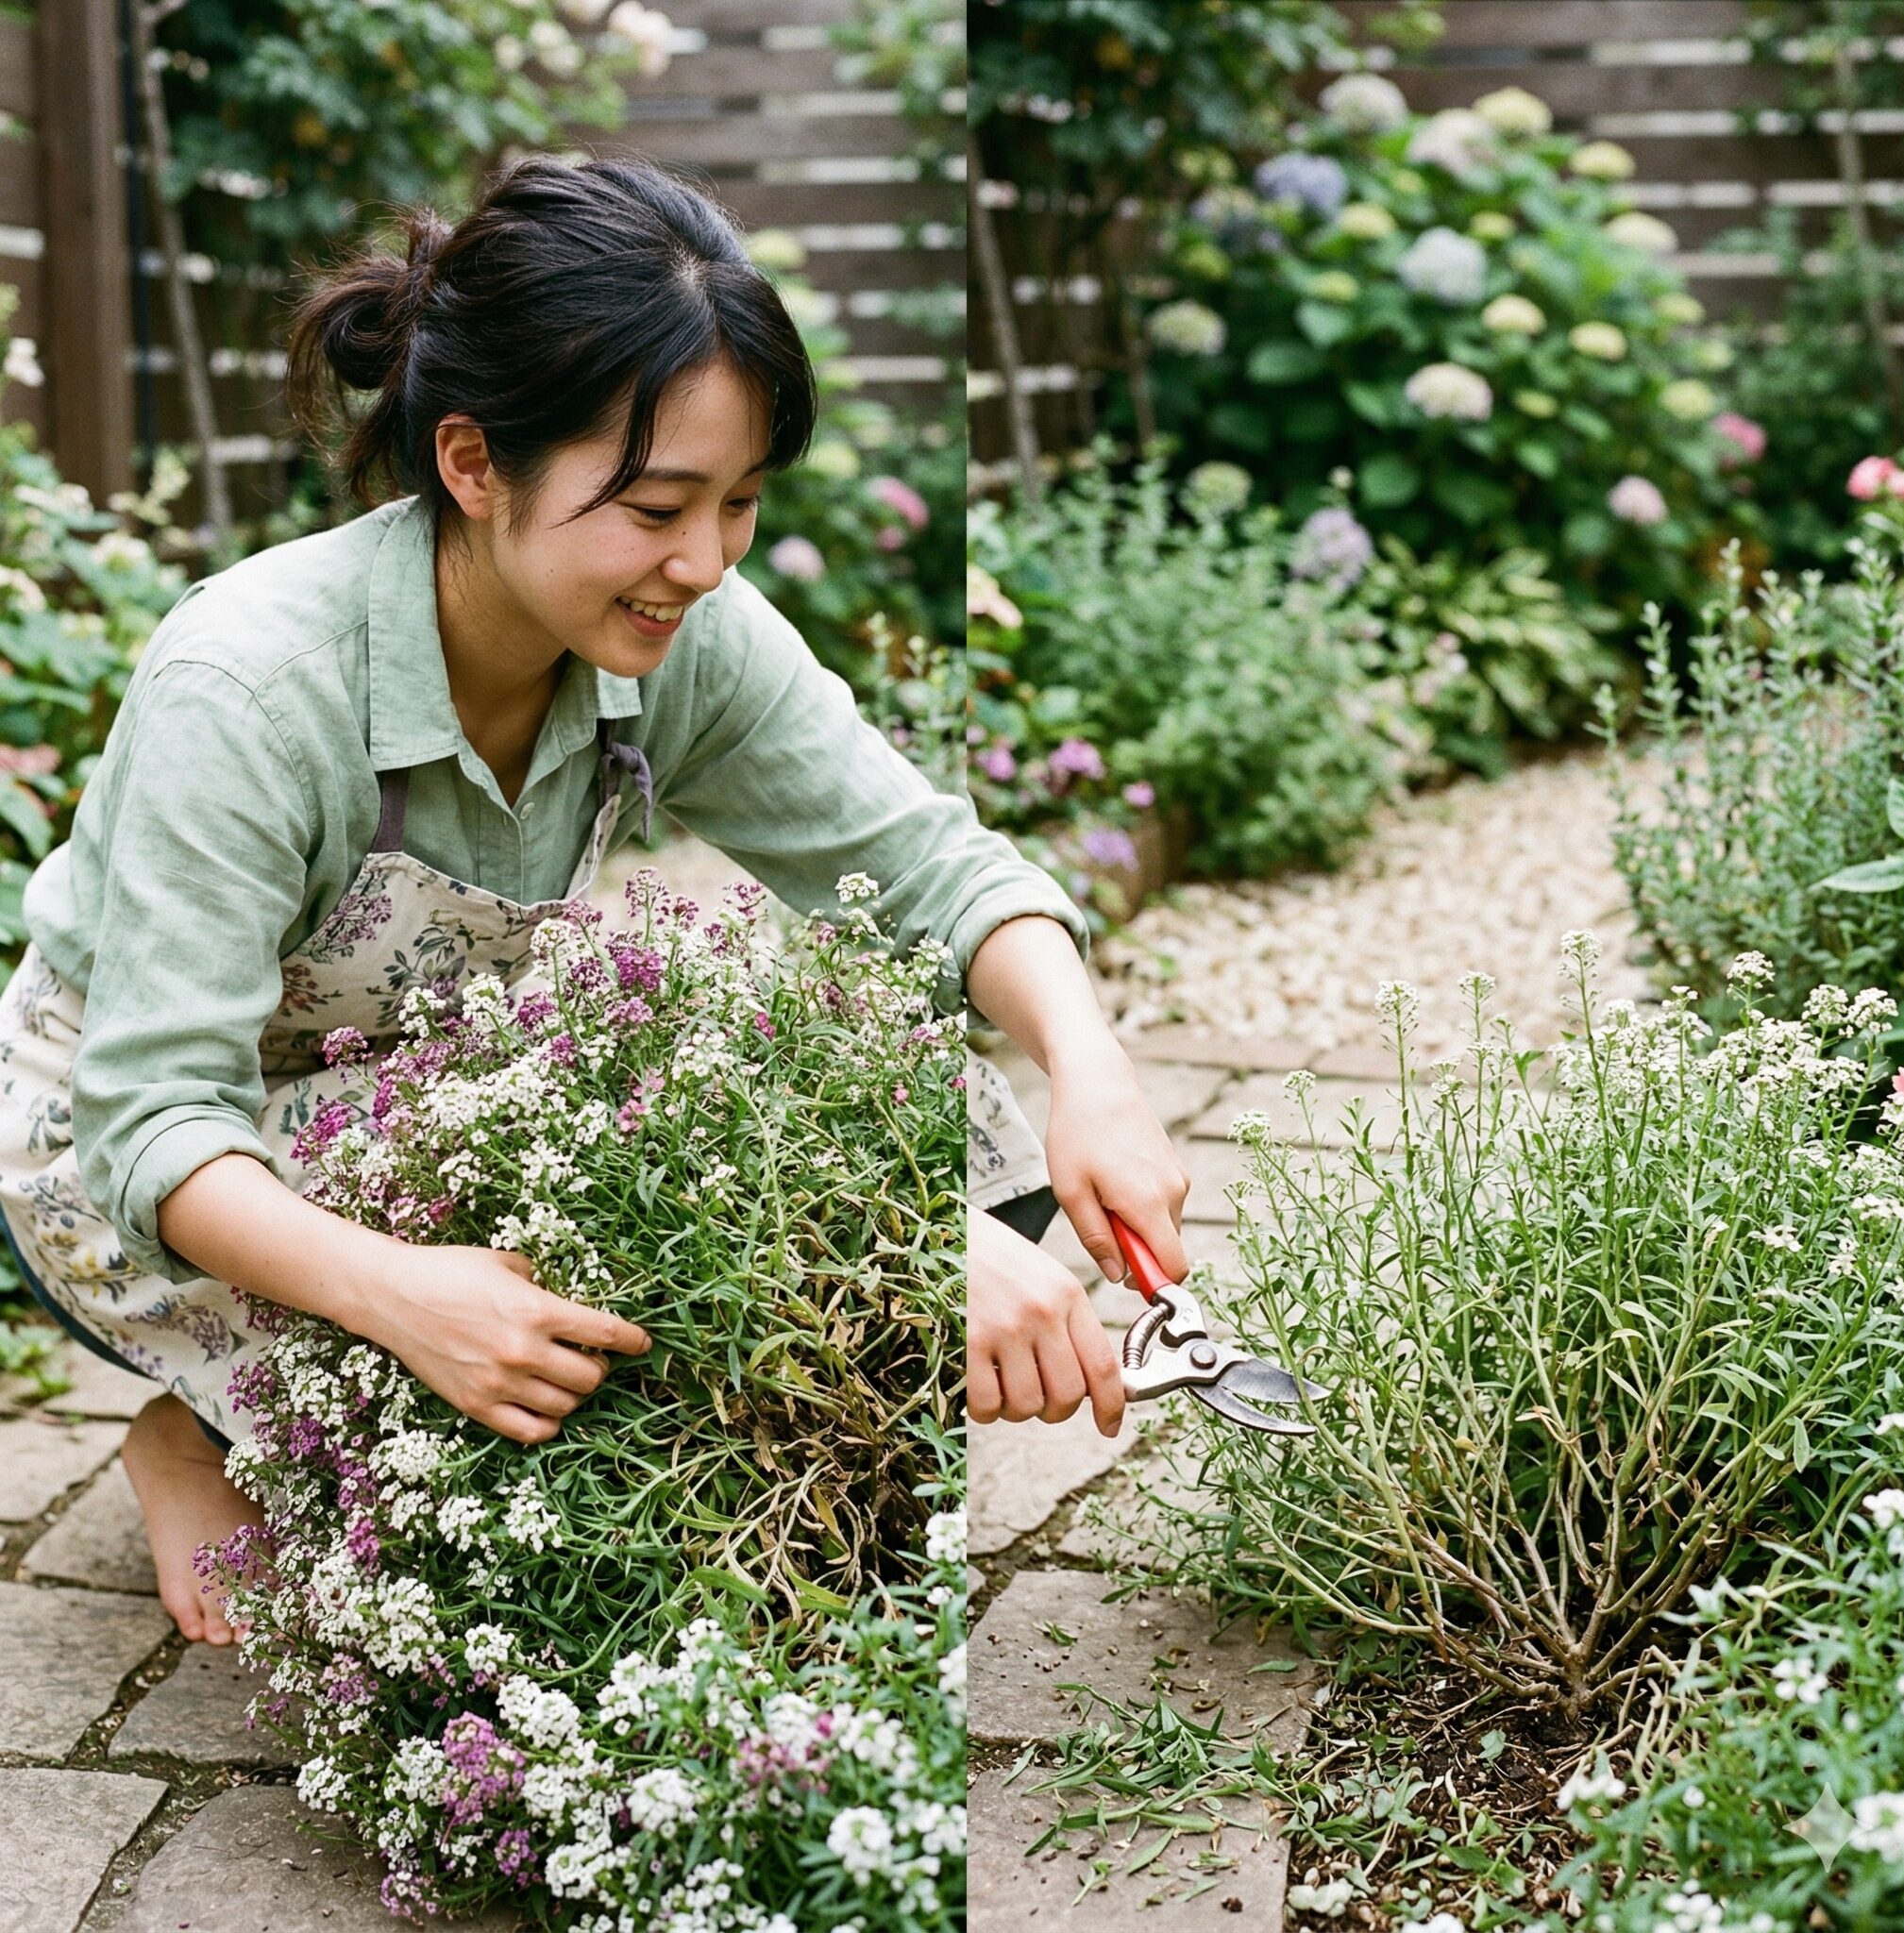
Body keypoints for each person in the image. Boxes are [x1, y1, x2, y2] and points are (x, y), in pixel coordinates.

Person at [0, 154, 1186, 1645]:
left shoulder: (676, 626)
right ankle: (204, 1422)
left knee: (969, 1152)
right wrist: (410, 1296)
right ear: (474, 464)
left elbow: (932, 870)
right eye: (653, 507)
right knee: (605, 1301)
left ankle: (286, 1412)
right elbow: (153, 1124)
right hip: (134, 1159)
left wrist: (1098, 1078)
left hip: (425, 1088)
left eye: (739, 502)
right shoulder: (247, 687)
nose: (701, 562)